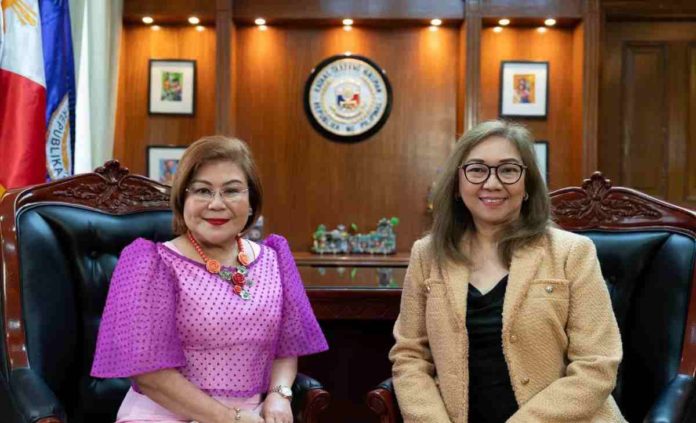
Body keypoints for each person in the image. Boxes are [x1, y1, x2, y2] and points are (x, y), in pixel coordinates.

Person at [389, 120, 625, 422]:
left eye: (509, 170)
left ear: (527, 185)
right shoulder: (427, 254)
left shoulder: (572, 252)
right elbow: (410, 357)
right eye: (476, 169)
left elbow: (597, 364)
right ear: (457, 186)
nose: (492, 183)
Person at [91, 136, 328, 423]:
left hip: (251, 417)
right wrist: (231, 418)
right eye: (203, 191)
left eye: (231, 191)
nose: (216, 204)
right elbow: (149, 375)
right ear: (183, 200)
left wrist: (280, 394)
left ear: (252, 201)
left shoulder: (274, 259)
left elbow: (286, 346)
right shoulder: (151, 263)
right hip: (164, 416)